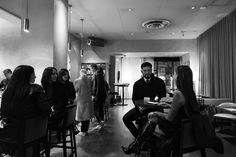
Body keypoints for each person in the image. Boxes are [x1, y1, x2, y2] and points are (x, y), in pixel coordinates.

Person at [121, 65, 224, 155]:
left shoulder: (178, 94)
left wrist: (156, 112)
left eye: (175, 74)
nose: (173, 76)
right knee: (152, 119)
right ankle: (139, 145)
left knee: (152, 119)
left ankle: (143, 146)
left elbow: (169, 118)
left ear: (180, 77)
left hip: (176, 129)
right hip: (187, 127)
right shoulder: (191, 93)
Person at [0, 65, 51, 155]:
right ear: (26, 76)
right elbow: (46, 111)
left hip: (11, 134)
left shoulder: (7, 92)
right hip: (31, 133)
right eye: (33, 74)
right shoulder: (36, 89)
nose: (35, 76)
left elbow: (4, 113)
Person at [123, 62, 166, 138]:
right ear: (141, 71)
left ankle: (143, 141)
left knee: (151, 124)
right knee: (126, 118)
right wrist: (139, 107)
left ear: (151, 70)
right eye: (145, 70)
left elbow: (163, 97)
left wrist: (153, 105)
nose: (147, 72)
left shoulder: (159, 82)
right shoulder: (137, 84)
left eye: (149, 70)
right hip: (141, 109)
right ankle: (139, 138)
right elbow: (134, 98)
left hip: (155, 109)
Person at [74, 69, 94, 136]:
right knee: (87, 116)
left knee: (82, 116)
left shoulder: (77, 81)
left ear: (80, 73)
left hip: (81, 100)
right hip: (88, 100)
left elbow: (75, 90)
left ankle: (83, 131)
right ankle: (85, 131)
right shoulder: (89, 80)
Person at [91, 65, 109, 131]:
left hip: (98, 96)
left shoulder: (96, 75)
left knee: (95, 110)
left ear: (94, 68)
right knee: (100, 110)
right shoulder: (101, 75)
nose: (91, 70)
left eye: (91, 68)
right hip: (102, 96)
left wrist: (95, 95)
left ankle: (100, 123)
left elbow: (96, 86)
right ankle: (101, 125)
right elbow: (107, 86)